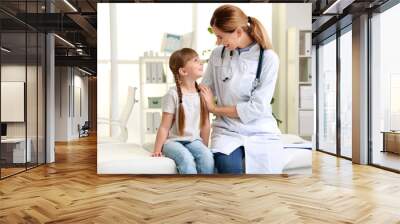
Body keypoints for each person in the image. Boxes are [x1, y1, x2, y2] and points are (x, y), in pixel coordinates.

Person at [199, 4, 287, 174]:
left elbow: (257, 108)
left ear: (239, 32)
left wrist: (215, 109)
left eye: (220, 37)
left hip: (260, 129)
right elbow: (205, 90)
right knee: (229, 169)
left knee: (267, 176)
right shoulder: (218, 54)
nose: (217, 42)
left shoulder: (268, 59)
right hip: (227, 130)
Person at [151, 48, 214, 174]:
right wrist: (157, 150)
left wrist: (204, 148)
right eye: (195, 60)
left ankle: (204, 190)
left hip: (194, 141)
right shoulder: (172, 94)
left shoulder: (203, 93)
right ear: (183, 71)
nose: (201, 63)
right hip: (172, 142)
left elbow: (206, 124)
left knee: (207, 158)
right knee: (186, 159)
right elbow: (164, 126)